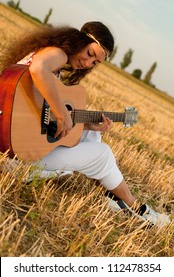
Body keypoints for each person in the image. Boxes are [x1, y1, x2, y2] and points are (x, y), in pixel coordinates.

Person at [1, 21, 171, 228]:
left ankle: (112, 196)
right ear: (79, 40)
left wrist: (89, 125)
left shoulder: (48, 58)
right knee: (103, 153)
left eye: (95, 62)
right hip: (17, 158)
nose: (88, 62)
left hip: (11, 141)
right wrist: (61, 110)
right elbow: (38, 69)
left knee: (92, 136)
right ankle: (135, 209)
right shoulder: (57, 54)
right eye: (90, 53)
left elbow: (37, 118)